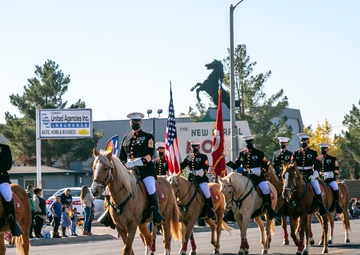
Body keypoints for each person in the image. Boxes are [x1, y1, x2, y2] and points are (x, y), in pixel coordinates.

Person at [120, 112, 165, 226]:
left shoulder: (148, 137)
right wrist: (123, 165)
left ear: (141, 123)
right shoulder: (126, 138)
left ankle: (156, 212)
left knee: (150, 187)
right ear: (130, 123)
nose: (134, 124)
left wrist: (134, 163)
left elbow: (149, 156)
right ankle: (112, 213)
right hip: (129, 171)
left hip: (145, 171)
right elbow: (121, 157)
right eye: (132, 122)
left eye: (137, 122)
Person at [225, 135, 277, 221]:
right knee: (234, 190)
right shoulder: (242, 153)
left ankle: (269, 209)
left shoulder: (259, 153)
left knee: (265, 189)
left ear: (252, 142)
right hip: (245, 177)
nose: (248, 144)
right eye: (247, 142)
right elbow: (235, 166)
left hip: (257, 177)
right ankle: (231, 212)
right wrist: (226, 159)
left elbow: (265, 167)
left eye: (249, 142)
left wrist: (259, 171)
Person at [291, 133, 328, 216]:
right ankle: (286, 206)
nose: (303, 142)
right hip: (298, 175)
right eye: (302, 140)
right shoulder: (296, 153)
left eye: (305, 140)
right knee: (288, 187)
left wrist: (314, 175)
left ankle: (320, 205)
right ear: (300, 141)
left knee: (316, 187)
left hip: (309, 175)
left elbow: (317, 167)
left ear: (308, 141)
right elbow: (291, 166)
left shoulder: (313, 153)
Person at [180, 140, 215, 220]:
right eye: (193, 147)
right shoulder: (189, 157)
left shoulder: (203, 156)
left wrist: (197, 172)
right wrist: (186, 160)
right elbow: (181, 167)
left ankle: (210, 210)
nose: (194, 148)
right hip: (191, 180)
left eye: (196, 147)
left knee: (206, 192)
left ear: (199, 147)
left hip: (201, 179)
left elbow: (206, 169)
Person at [0, 143, 23, 236]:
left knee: (8, 196)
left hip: (1, 179)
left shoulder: (4, 148)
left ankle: (12, 221)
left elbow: (7, 165)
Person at [317, 143, 344, 213]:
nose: (323, 150)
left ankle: (337, 204)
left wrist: (330, 173)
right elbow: (315, 169)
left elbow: (337, 170)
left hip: (330, 179)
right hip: (320, 179)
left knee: (335, 187)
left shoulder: (332, 159)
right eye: (322, 149)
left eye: (325, 149)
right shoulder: (317, 159)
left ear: (327, 149)